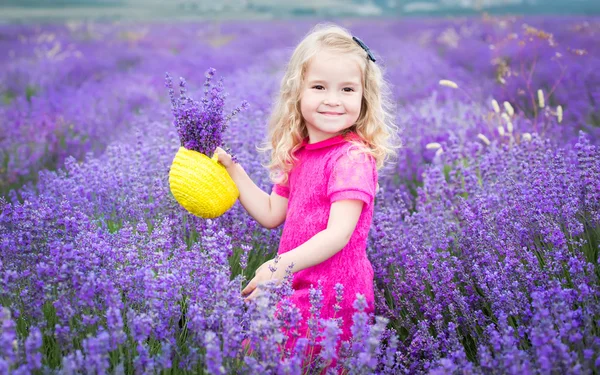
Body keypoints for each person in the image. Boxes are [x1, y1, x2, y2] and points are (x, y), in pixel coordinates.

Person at [215, 23, 400, 371]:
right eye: (319, 87)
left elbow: (338, 233)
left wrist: (277, 267)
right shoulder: (299, 154)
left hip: (333, 293)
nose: (333, 99)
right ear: (296, 93)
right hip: (296, 282)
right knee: (261, 356)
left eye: (347, 89)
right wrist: (231, 169)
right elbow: (271, 213)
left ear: (364, 98)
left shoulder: (351, 158)